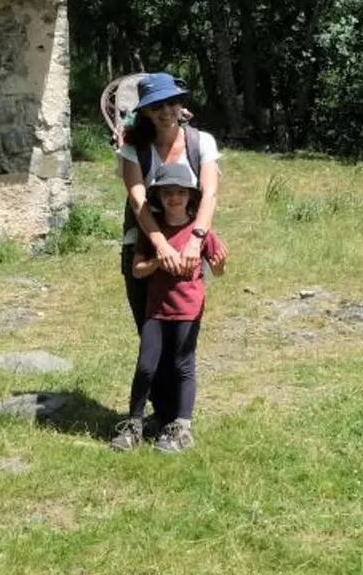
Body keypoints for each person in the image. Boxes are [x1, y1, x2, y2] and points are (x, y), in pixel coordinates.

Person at [113, 161, 225, 453]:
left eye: (180, 192)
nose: (174, 198)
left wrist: (220, 262)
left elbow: (218, 270)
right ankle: (133, 424)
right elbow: (137, 269)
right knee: (146, 366)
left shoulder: (201, 231)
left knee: (183, 366)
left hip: (188, 309)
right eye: (167, 193)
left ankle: (181, 428)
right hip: (156, 310)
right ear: (159, 197)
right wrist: (157, 262)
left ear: (191, 196)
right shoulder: (152, 233)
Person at [118, 72, 222, 330]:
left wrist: (196, 242)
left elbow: (209, 193)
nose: (166, 111)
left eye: (171, 103)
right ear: (146, 113)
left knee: (182, 334)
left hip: (190, 245)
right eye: (156, 106)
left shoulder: (202, 143)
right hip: (144, 247)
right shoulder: (134, 150)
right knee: (150, 334)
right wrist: (161, 246)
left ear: (181, 104)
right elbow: (137, 200)